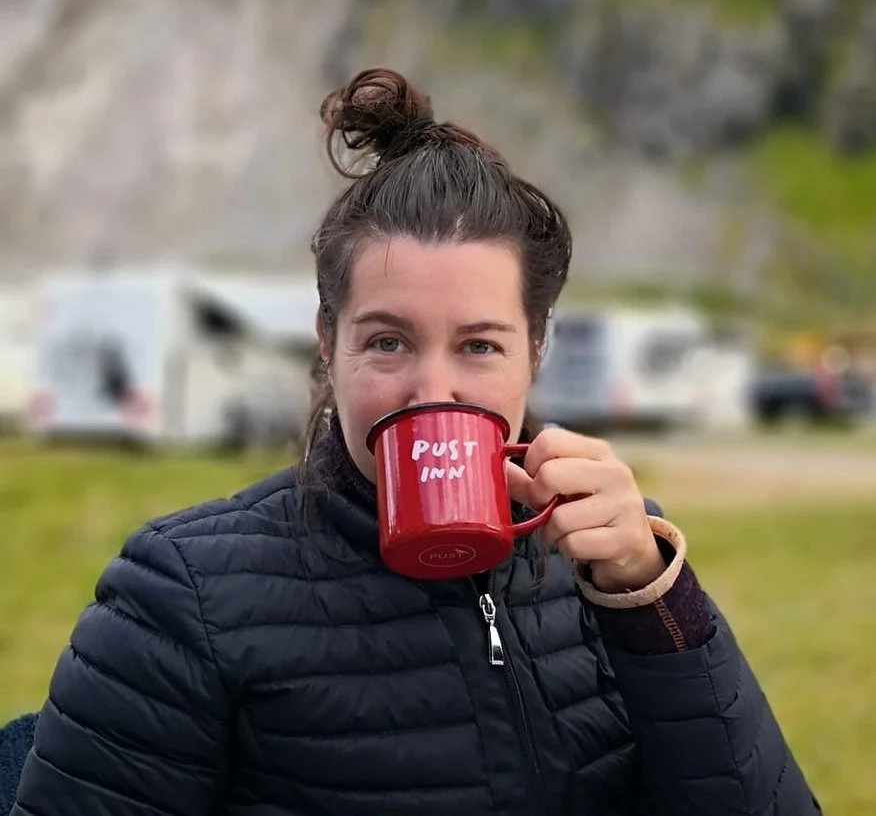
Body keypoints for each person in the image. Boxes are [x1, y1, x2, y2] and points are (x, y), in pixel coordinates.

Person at [11, 68, 821, 816]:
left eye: (479, 345)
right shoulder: (182, 593)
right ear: (328, 343)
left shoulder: (608, 558)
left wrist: (650, 599)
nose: (434, 391)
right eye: (389, 342)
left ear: (536, 349)